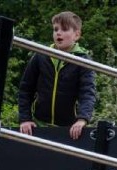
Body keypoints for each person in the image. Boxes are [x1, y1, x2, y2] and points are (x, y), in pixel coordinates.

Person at [18, 11, 97, 140]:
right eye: (55, 29)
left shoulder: (83, 61)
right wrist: (25, 119)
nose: (58, 33)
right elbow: (26, 89)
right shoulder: (41, 55)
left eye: (64, 29)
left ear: (76, 35)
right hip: (38, 125)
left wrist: (82, 119)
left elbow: (87, 92)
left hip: (68, 129)